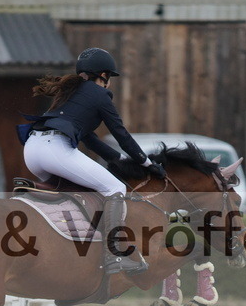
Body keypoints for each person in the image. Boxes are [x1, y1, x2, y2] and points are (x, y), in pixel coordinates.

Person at [20, 47, 165, 275]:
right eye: (109, 78)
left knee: (77, 191)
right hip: (54, 150)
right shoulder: (100, 95)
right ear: (104, 75)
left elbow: (89, 138)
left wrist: (117, 159)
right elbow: (121, 134)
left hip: (32, 150)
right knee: (115, 188)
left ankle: (67, 244)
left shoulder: (69, 94)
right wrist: (146, 163)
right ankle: (114, 255)